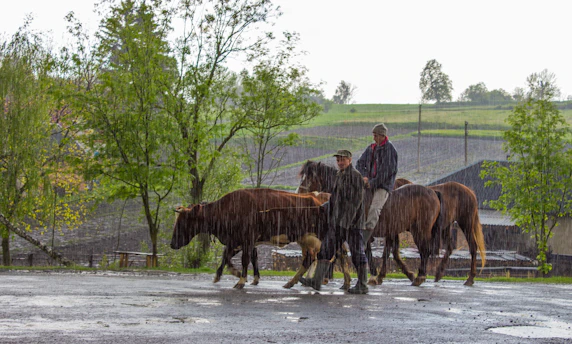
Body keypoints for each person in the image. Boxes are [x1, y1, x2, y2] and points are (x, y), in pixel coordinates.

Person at [300, 149, 369, 294]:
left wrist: (345, 223)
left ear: (349, 160)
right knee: (325, 250)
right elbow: (335, 199)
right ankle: (316, 281)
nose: (340, 163)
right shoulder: (340, 175)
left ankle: (363, 284)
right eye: (338, 160)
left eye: (342, 160)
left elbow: (355, 203)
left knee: (357, 253)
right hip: (337, 223)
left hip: (353, 225)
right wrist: (322, 208)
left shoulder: (355, 176)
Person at [356, 123, 398, 243]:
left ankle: (365, 238)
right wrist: (364, 177)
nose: (374, 138)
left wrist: (373, 183)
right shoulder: (371, 148)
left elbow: (388, 171)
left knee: (375, 208)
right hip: (369, 183)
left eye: (375, 135)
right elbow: (360, 163)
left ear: (382, 136)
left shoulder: (390, 150)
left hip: (383, 186)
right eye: (373, 135)